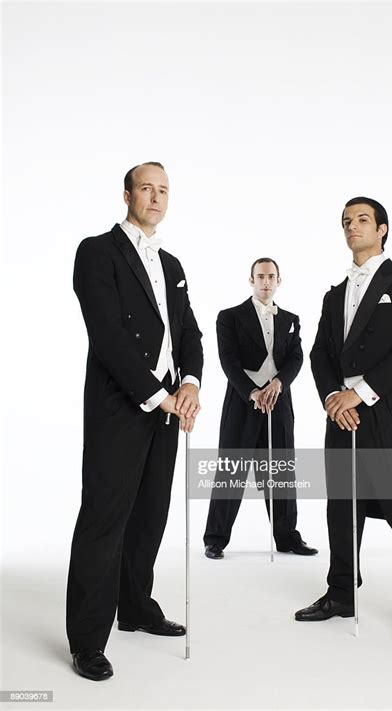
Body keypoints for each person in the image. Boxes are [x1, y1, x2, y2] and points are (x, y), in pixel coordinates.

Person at [67, 162, 203, 680]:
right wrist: (157, 394)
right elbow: (107, 335)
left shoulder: (171, 263)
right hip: (120, 406)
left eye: (163, 189)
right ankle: (86, 640)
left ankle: (136, 606)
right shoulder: (96, 251)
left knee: (150, 513)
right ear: (126, 194)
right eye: (146, 187)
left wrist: (189, 382)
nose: (156, 196)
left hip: (169, 408)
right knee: (105, 521)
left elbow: (188, 329)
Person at [295, 197, 392, 644]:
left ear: (383, 229)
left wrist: (361, 392)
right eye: (345, 222)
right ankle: (341, 593)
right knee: (341, 506)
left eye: (361, 220)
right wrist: (334, 396)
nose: (352, 227)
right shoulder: (334, 294)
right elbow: (319, 354)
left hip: (386, 412)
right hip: (341, 414)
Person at [203, 258, 317, 559]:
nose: (266, 281)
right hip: (242, 401)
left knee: (280, 470)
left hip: (278, 402)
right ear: (251, 280)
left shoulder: (291, 318)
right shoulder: (229, 317)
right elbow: (227, 359)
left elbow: (296, 358)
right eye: (260, 276)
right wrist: (252, 391)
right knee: (231, 469)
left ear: (279, 280)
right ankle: (215, 538)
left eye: (271, 276)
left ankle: (287, 537)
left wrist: (278, 384)